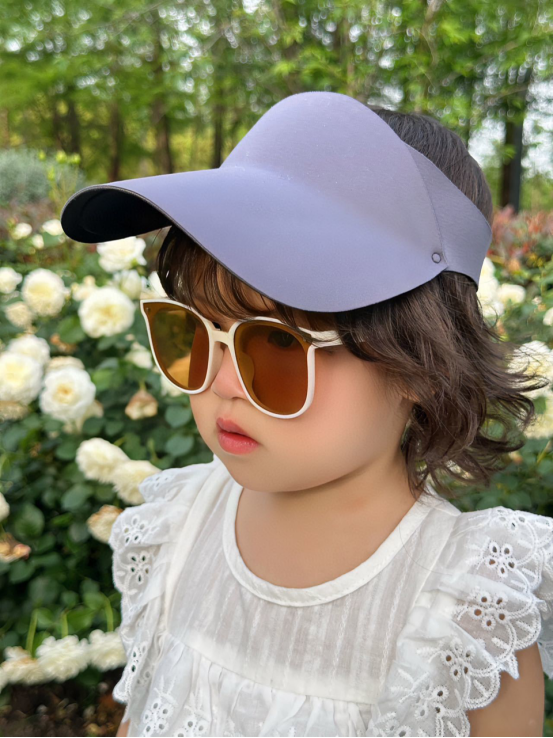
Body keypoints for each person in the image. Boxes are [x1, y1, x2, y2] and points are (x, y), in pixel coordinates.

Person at [60, 92, 553, 738]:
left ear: (422, 364)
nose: (220, 382)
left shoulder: (463, 617)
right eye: (193, 332)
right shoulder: (178, 533)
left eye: (278, 344)